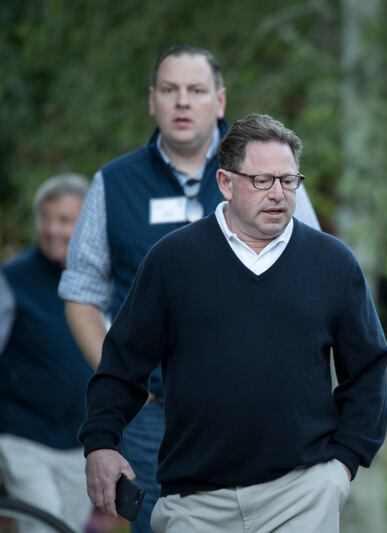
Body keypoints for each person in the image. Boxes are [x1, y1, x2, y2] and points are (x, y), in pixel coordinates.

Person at [79, 113, 387, 533]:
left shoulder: (332, 263)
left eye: (289, 180)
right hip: (196, 502)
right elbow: (122, 364)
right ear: (225, 183)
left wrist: (344, 464)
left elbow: (368, 367)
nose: (278, 193)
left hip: (302, 494)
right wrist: (100, 442)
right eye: (262, 180)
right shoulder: (172, 261)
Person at [58, 44, 320, 532]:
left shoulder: (271, 174)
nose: (182, 102)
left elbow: (315, 277)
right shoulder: (114, 183)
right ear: (151, 100)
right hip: (154, 421)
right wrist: (125, 381)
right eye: (170, 89)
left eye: (196, 90)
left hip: (264, 415)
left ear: (219, 102)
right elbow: (81, 292)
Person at [0, 174, 93, 533]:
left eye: (64, 220)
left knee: (68, 526)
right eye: (46, 218)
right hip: (22, 437)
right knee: (45, 525)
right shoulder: (12, 280)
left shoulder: (101, 278)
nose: (53, 229)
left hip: (79, 441)